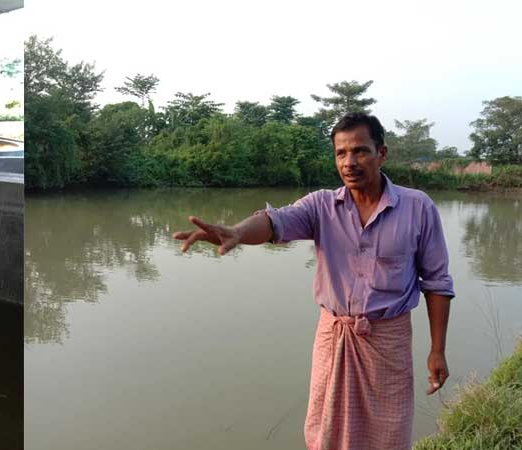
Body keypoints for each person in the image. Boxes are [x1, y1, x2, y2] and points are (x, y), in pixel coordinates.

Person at [172, 112, 453, 450]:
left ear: (382, 153)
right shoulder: (321, 205)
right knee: (327, 433)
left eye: (360, 151)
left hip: (388, 341)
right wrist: (236, 232)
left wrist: (437, 351)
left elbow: (436, 283)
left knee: (388, 434)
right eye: (340, 153)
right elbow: (276, 222)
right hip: (333, 335)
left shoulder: (417, 207)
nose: (349, 162)